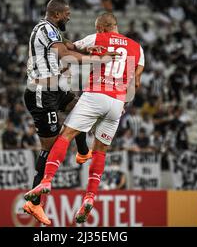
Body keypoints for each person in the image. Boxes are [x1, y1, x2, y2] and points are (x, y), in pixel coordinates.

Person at [24, 12, 144, 224]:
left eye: (98, 28)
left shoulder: (97, 38)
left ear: (102, 28)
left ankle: (47, 181)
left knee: (65, 135)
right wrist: (123, 103)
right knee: (100, 151)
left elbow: (69, 48)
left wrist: (76, 57)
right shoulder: (137, 47)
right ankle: (89, 198)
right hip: (117, 104)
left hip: (96, 94)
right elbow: (136, 83)